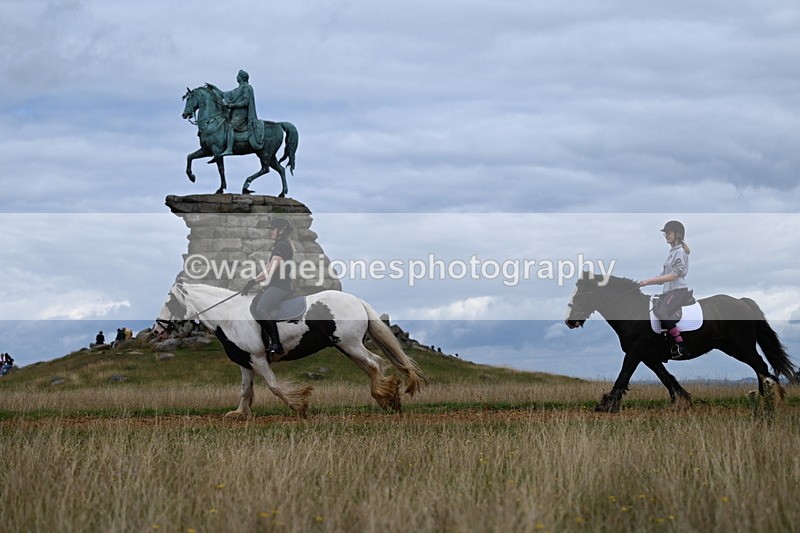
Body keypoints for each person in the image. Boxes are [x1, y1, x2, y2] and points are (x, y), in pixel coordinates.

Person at [639, 220, 692, 358]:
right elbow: (662, 276)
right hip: (669, 291)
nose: (666, 235)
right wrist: (645, 282)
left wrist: (650, 280)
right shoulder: (672, 252)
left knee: (662, 311)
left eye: (669, 233)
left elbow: (673, 276)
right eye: (666, 233)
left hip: (678, 291)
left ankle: (681, 344)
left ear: (677, 234)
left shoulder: (680, 252)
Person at [246, 217, 295, 357]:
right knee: (255, 304)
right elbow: (268, 267)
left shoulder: (282, 246)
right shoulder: (281, 244)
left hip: (281, 286)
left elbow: (269, 271)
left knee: (262, 308)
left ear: (281, 230)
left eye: (272, 229)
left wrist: (253, 281)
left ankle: (276, 344)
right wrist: (253, 280)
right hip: (275, 285)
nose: (269, 232)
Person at [217, 69, 263, 158]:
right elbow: (224, 94)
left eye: (238, 76)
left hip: (243, 115)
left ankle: (229, 149)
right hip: (235, 114)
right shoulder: (237, 90)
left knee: (230, 126)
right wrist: (213, 88)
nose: (236, 77)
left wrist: (231, 105)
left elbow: (245, 102)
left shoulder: (247, 88)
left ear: (242, 78)